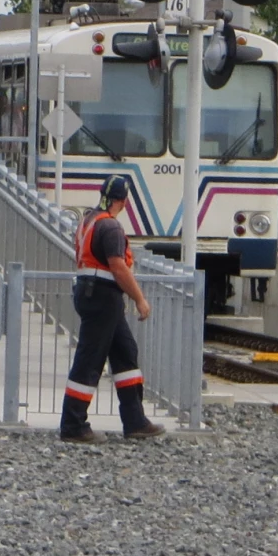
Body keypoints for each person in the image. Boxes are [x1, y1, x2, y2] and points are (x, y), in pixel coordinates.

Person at [61, 176, 164, 442]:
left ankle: (135, 421)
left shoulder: (89, 221)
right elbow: (118, 267)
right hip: (103, 296)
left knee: (125, 352)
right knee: (89, 360)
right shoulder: (111, 227)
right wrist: (140, 299)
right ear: (124, 201)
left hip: (93, 293)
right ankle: (73, 425)